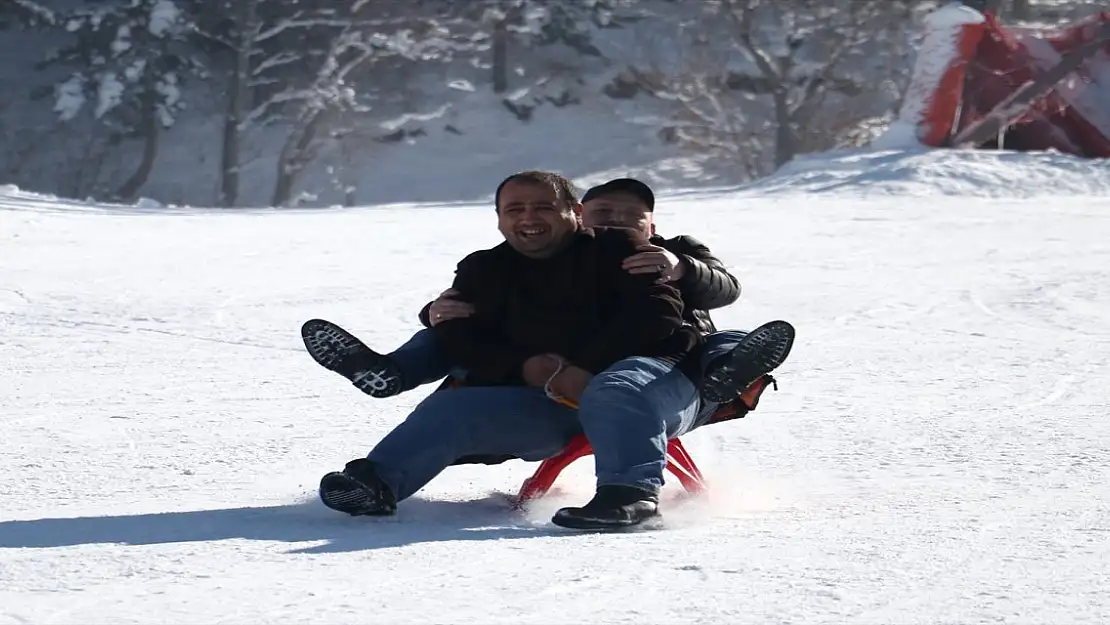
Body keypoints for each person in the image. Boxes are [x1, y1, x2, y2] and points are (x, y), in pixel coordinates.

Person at [308, 170, 793, 529]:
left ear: (574, 214)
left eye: (542, 207)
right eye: (514, 210)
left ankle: (630, 495)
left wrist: (584, 368)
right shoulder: (484, 269)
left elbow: (658, 316)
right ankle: (376, 482)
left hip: (656, 381)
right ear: (499, 220)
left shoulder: (623, 249)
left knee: (614, 388)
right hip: (549, 401)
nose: (528, 218)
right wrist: (526, 367)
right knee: (457, 409)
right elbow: (459, 337)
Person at [303, 177, 788, 417]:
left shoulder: (675, 252)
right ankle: (390, 371)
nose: (615, 222)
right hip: (566, 358)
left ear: (652, 227)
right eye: (602, 213)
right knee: (444, 331)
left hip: (669, 356)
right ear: (579, 216)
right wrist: (435, 311)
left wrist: (683, 269)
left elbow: (725, 287)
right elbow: (481, 296)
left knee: (726, 341)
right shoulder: (553, 254)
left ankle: (726, 376)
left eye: (629, 216)